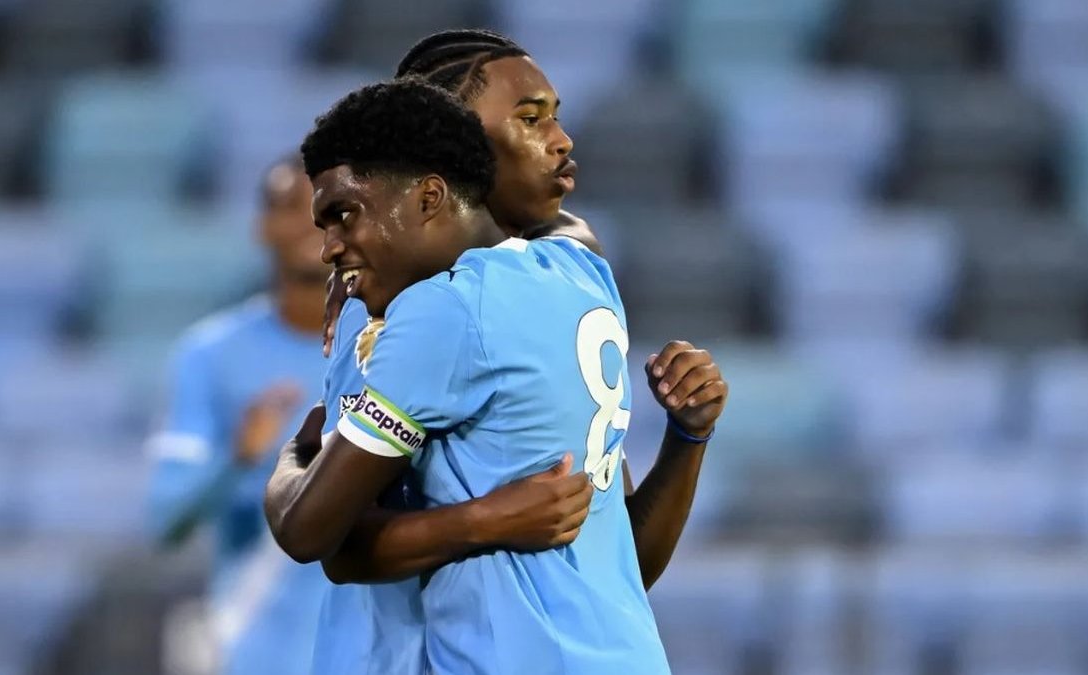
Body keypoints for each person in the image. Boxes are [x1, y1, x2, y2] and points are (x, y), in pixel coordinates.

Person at [266, 29, 728, 674]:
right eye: (530, 119)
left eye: (553, 116)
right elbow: (618, 560)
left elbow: (326, 539)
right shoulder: (579, 274)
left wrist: (291, 463)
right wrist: (687, 437)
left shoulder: (425, 310)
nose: (561, 140)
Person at [145, 157, 332, 675]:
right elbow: (166, 518)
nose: (311, 222)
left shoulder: (398, 343)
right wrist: (239, 455)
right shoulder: (209, 354)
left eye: (330, 208)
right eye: (291, 206)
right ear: (262, 227)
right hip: (258, 650)